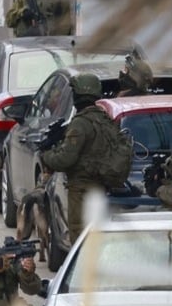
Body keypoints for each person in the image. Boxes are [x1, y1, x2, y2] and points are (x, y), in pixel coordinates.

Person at [39, 73, 115, 243]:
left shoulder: (81, 123)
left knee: (79, 236)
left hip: (82, 190)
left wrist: (46, 156)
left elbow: (66, 159)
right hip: (100, 188)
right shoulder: (105, 120)